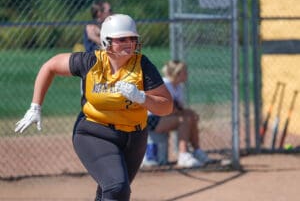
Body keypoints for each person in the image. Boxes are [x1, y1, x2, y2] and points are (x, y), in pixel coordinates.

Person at [15, 14, 173, 201]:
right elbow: (50, 66)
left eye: (133, 38)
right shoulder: (91, 62)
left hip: (135, 137)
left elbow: (166, 107)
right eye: (122, 39)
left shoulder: (142, 66)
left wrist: (141, 97)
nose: (129, 43)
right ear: (106, 42)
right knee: (117, 188)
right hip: (95, 132)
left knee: (110, 192)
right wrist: (35, 106)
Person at [147, 60, 211, 168]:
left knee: (190, 117)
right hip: (153, 119)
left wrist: (189, 113)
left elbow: (178, 108)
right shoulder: (165, 84)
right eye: (184, 72)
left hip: (166, 117)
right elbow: (166, 109)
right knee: (184, 119)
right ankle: (183, 155)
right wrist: (185, 112)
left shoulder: (179, 87)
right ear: (177, 74)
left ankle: (197, 151)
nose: (187, 74)